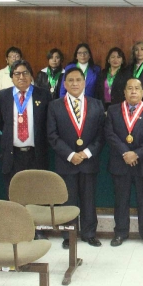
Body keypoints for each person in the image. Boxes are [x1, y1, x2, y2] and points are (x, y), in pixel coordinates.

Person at [47, 67, 105, 248]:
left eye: (78, 80)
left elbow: (101, 134)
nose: (74, 83)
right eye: (70, 80)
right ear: (64, 84)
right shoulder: (55, 105)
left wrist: (86, 153)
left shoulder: (96, 104)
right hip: (66, 161)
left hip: (89, 160)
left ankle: (89, 233)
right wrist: (71, 155)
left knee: (88, 199)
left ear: (84, 82)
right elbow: (52, 135)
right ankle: (68, 236)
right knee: (68, 200)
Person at [104, 78, 143, 248]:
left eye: (137, 88)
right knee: (121, 200)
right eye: (130, 88)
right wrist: (125, 153)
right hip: (120, 162)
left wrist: (136, 154)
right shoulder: (113, 111)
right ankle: (120, 233)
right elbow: (110, 134)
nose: (133, 91)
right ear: (124, 92)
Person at [0, 60, 50, 199]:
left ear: (31, 75)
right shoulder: (3, 96)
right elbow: (1, 123)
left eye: (25, 73)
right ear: (12, 77)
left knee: (35, 195)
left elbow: (47, 124)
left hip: (35, 155)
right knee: (14, 195)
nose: (21, 77)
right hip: (12, 155)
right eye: (17, 74)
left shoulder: (43, 95)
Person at [111, 41, 143, 106]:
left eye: (142, 49)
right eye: (136, 50)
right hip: (130, 102)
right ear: (134, 53)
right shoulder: (130, 67)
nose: (139, 52)